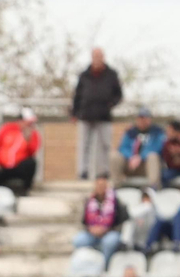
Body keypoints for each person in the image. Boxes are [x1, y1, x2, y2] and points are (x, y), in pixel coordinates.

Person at [71, 47, 124, 180]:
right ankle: (83, 172)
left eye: (99, 56)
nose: (97, 59)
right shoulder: (84, 75)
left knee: (105, 145)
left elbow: (118, 94)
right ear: (92, 57)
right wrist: (75, 113)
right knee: (84, 145)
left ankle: (104, 171)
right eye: (95, 56)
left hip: (104, 116)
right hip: (86, 115)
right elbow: (77, 95)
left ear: (103, 57)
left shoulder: (112, 74)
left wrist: (110, 104)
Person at [72, 173, 129, 265]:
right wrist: (90, 229)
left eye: (103, 185)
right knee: (79, 240)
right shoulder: (88, 200)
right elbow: (83, 221)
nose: (100, 188)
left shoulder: (116, 201)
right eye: (98, 185)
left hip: (110, 232)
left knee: (109, 242)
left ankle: (104, 265)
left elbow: (123, 220)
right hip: (92, 233)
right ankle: (83, 264)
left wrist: (107, 229)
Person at [0, 108, 41, 195]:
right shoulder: (7, 128)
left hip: (18, 167)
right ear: (20, 121)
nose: (30, 125)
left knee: (31, 163)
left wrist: (28, 140)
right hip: (2, 167)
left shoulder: (33, 134)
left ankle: (25, 190)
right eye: (28, 122)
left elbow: (32, 152)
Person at [113, 106, 165, 183]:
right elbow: (123, 147)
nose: (142, 121)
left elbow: (157, 147)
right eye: (140, 118)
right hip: (130, 165)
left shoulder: (157, 132)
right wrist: (131, 157)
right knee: (114, 156)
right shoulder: (130, 132)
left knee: (153, 156)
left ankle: (153, 185)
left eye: (145, 118)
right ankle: (115, 184)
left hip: (146, 165)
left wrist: (140, 157)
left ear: (149, 119)